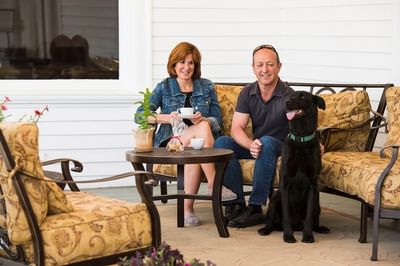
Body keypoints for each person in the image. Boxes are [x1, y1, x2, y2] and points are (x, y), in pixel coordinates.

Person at [136, 41, 236, 226]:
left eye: (191, 63)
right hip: (171, 143)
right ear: (174, 65)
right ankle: (215, 184)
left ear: (196, 66)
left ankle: (187, 210)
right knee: (202, 131)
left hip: (193, 145)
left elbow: (217, 121)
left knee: (198, 141)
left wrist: (204, 120)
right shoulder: (165, 87)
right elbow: (140, 115)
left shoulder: (206, 86)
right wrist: (165, 118)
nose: (186, 67)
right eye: (182, 62)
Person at [214, 44, 294, 228]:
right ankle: (237, 204)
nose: (264, 70)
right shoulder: (248, 92)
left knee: (266, 142)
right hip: (259, 146)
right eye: (259, 65)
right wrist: (251, 145)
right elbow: (237, 129)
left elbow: (300, 127)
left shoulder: (288, 96)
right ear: (253, 68)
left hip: (281, 147)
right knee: (223, 142)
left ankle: (256, 207)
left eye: (270, 64)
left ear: (279, 67)